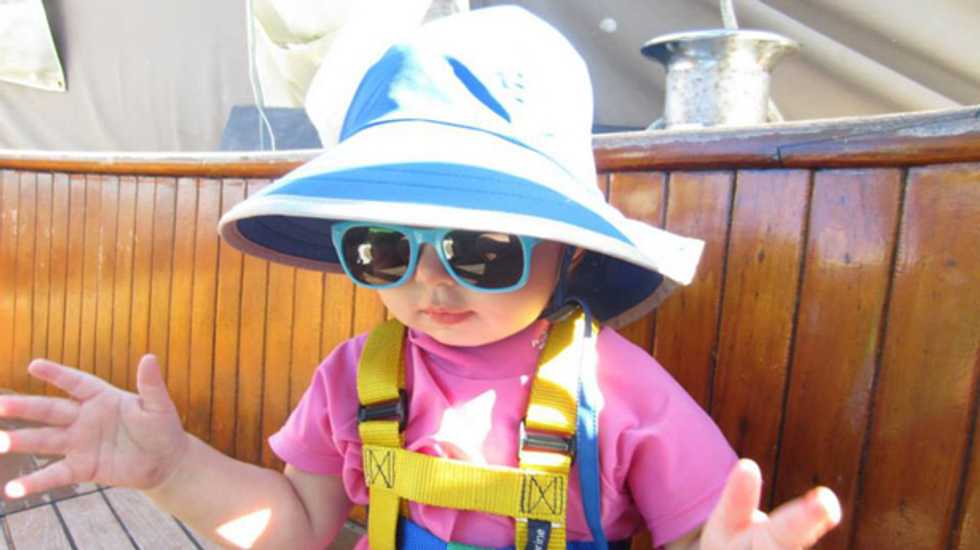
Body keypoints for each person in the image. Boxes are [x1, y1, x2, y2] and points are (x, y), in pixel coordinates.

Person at [0, 7, 840, 550]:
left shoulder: (620, 390)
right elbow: (299, 524)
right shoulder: (353, 377)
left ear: (569, 251)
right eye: (384, 249)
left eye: (482, 251)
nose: (431, 283)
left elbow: (697, 531)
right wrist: (174, 470)